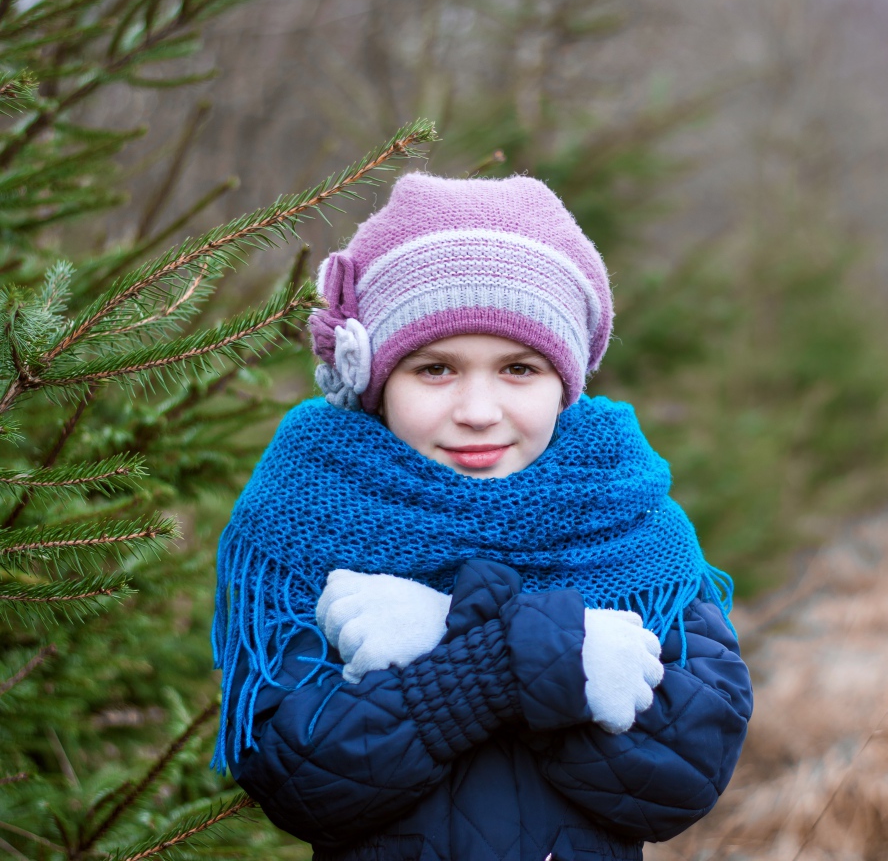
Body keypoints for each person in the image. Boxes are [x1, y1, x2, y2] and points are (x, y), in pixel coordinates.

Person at [212, 172, 753, 861]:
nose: (476, 410)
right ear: (376, 380)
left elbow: (684, 770)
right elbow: (298, 775)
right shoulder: (307, 512)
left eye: (519, 369)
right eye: (435, 369)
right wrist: (526, 663)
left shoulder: (629, 519)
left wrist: (466, 643)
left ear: (566, 384)